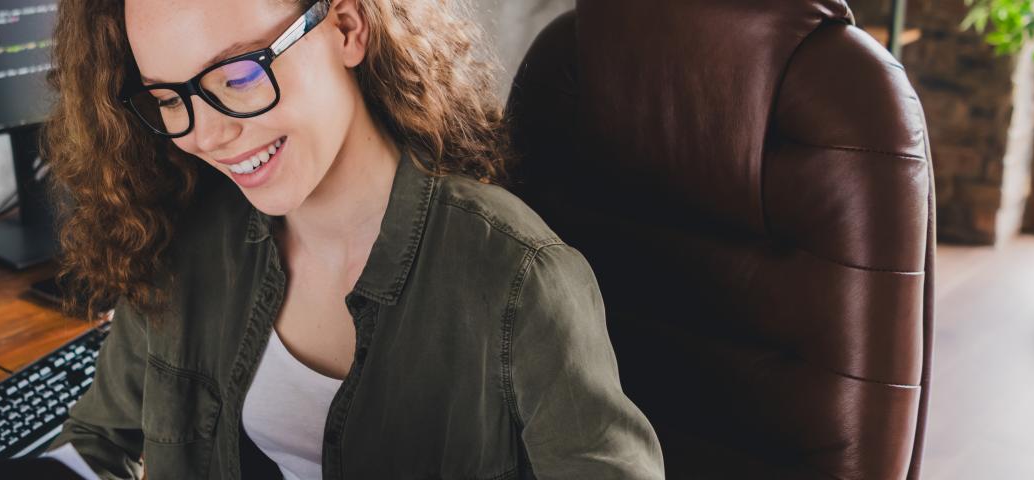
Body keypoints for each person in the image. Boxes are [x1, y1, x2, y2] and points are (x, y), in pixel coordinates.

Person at [44, 0, 663, 478]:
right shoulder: (183, 248)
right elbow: (100, 444)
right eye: (169, 99)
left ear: (345, 26)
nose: (206, 136)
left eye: (237, 76)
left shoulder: (521, 279)